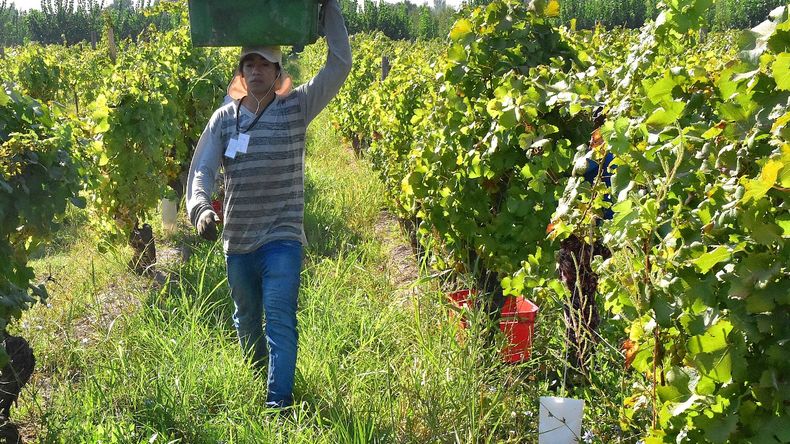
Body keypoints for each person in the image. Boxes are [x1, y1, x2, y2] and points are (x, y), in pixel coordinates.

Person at [185, 0, 351, 409]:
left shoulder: (297, 108)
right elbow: (203, 169)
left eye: (264, 64)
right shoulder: (224, 119)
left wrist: (329, 9)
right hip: (238, 241)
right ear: (241, 74)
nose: (256, 71)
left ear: (278, 74)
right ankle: (258, 378)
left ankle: (278, 405)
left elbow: (339, 65)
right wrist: (201, 208)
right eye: (249, 65)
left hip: (282, 238)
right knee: (246, 321)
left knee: (280, 321)